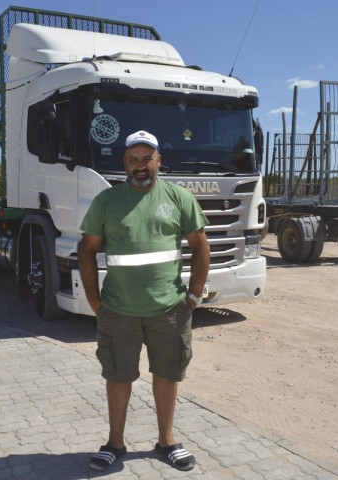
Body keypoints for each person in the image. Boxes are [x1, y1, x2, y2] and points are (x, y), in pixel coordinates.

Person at [78, 130, 210, 472]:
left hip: (170, 310)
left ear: (158, 161)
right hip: (118, 310)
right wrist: (94, 300)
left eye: (146, 159)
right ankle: (114, 444)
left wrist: (194, 295)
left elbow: (200, 245)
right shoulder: (106, 202)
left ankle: (167, 441)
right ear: (124, 162)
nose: (140, 166)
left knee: (167, 374)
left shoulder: (179, 198)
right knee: (118, 376)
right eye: (133, 159)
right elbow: (87, 250)